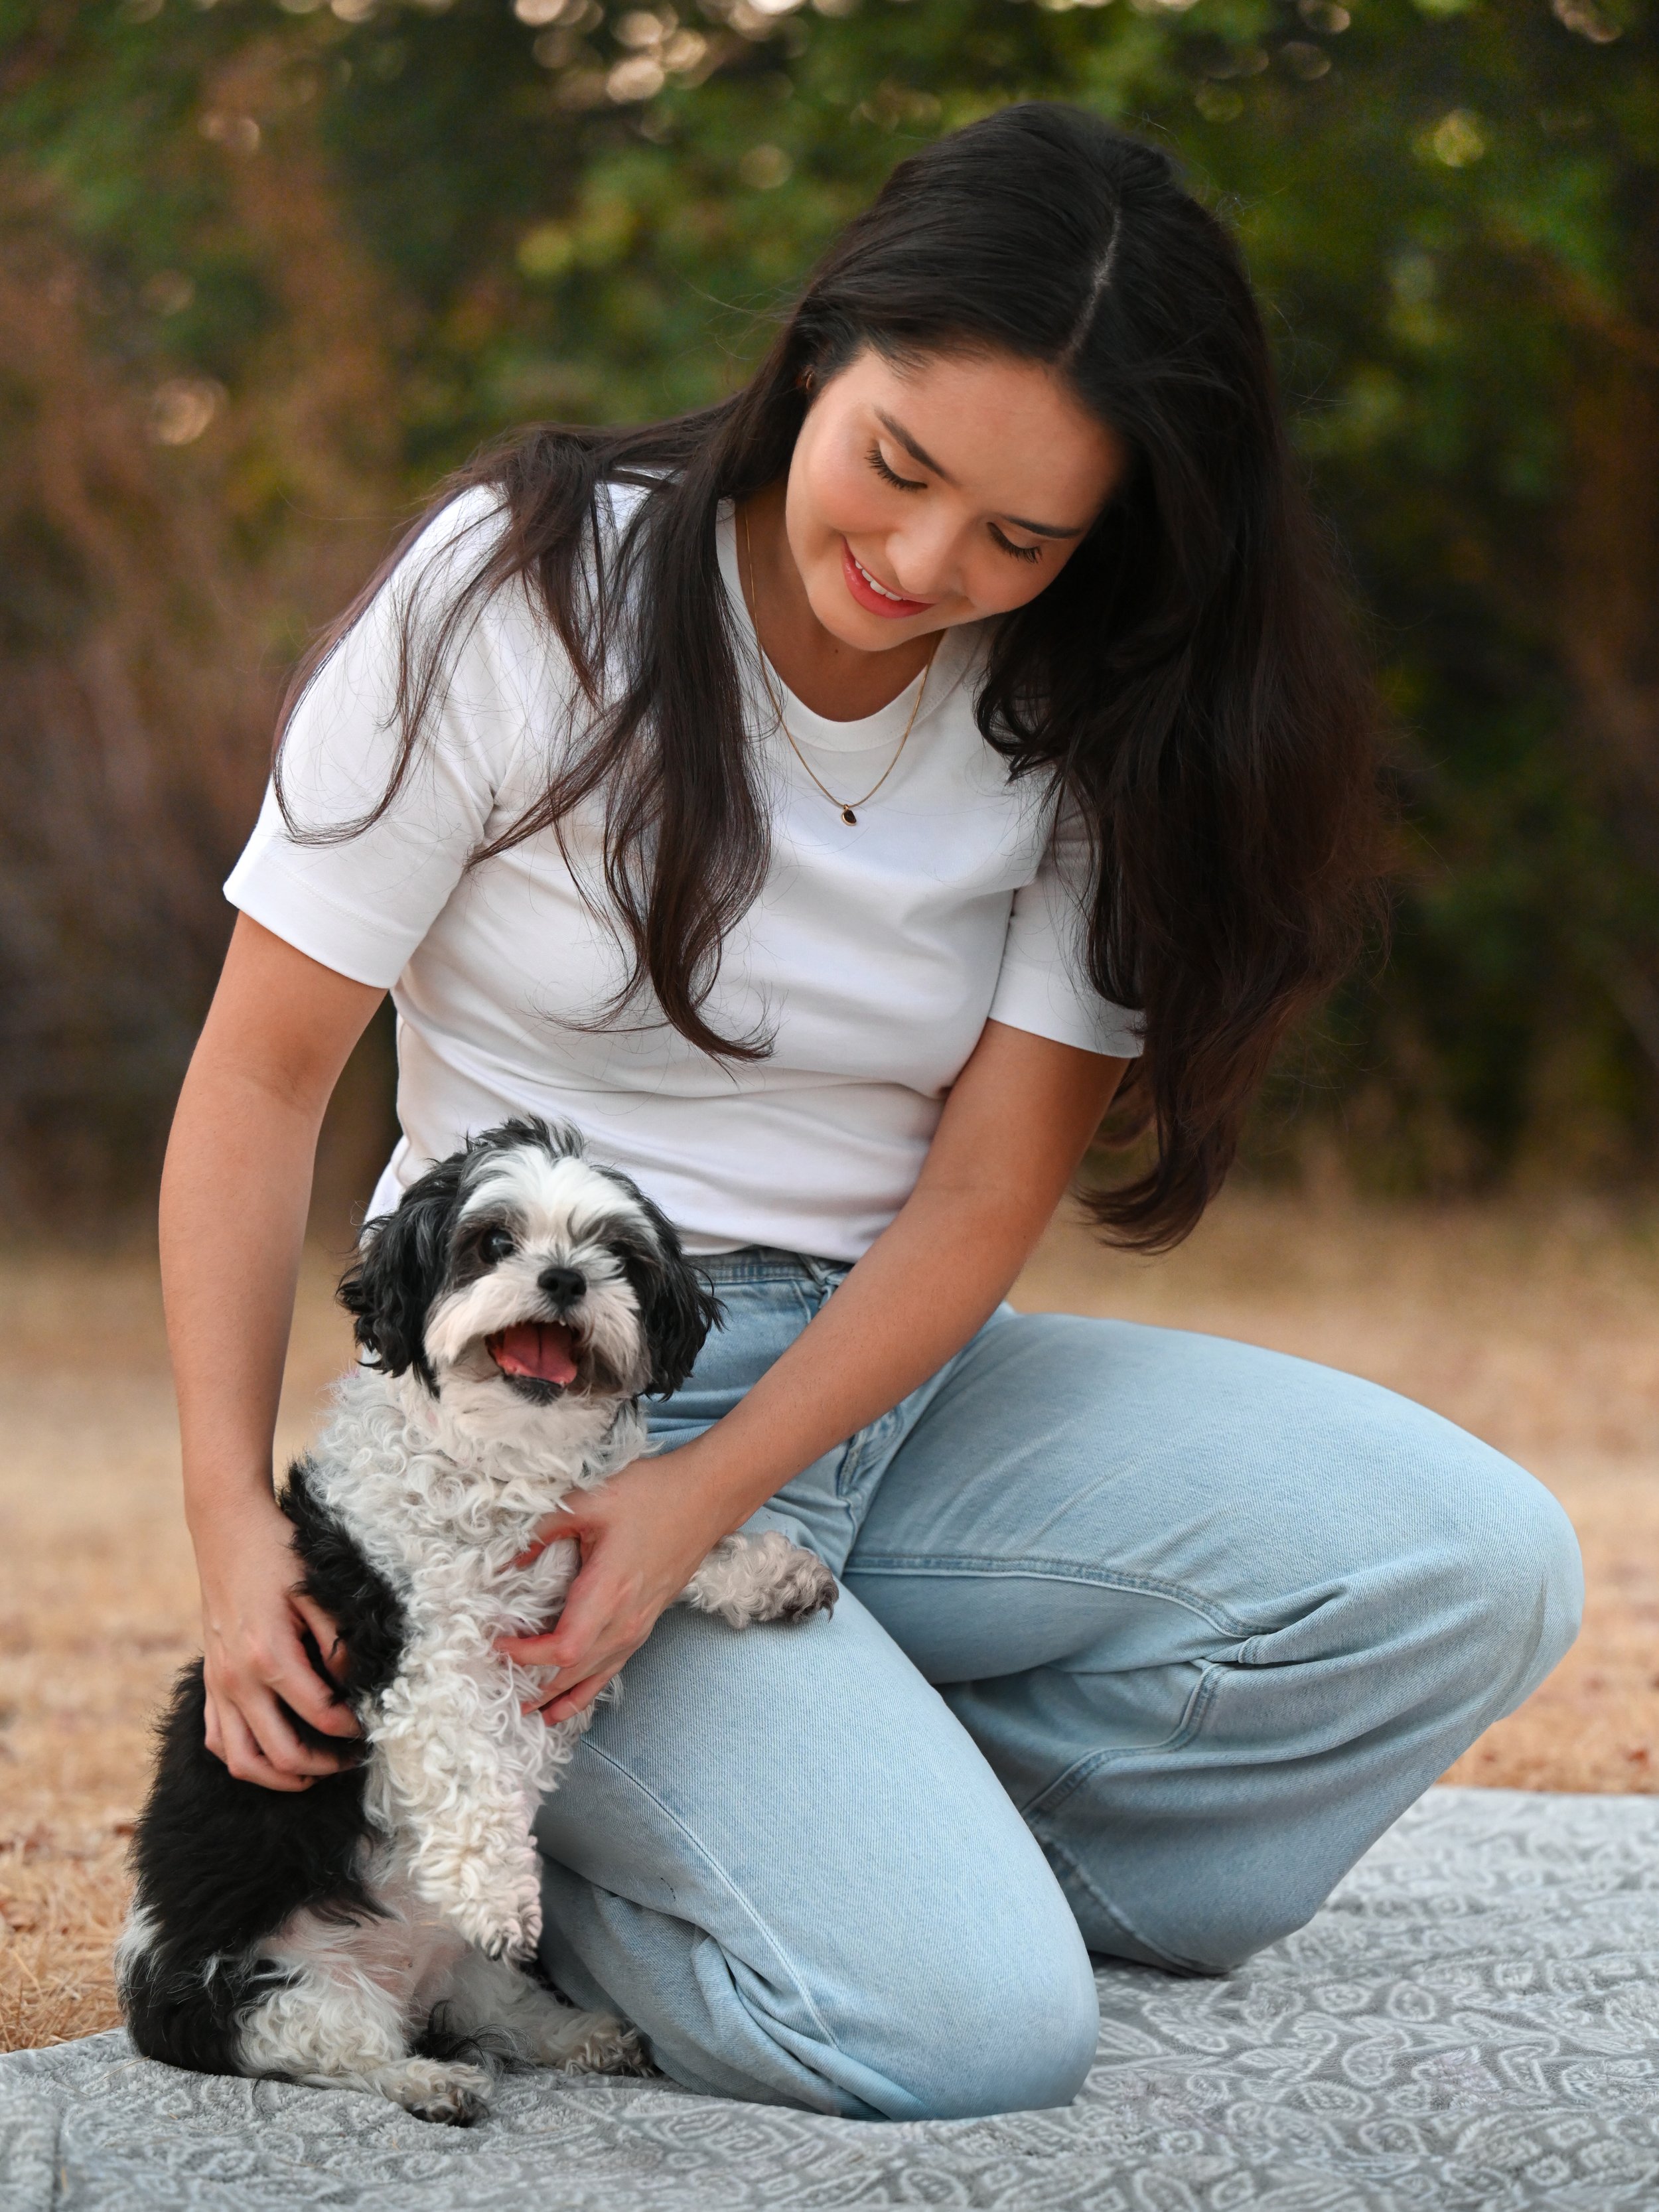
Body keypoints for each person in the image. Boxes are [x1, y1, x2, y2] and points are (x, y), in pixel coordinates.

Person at [163, 104, 1581, 2122]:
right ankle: (643, 1860)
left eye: (1020, 537)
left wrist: (721, 1497)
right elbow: (261, 1073)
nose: (921, 568)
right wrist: (234, 1524)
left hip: (891, 1376)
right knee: (964, 2037)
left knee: (1471, 1565)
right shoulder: (525, 583)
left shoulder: (1093, 710)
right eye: (897, 468)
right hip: (541, 1425)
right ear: (821, 346)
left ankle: (868, 1816)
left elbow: (986, 1191)